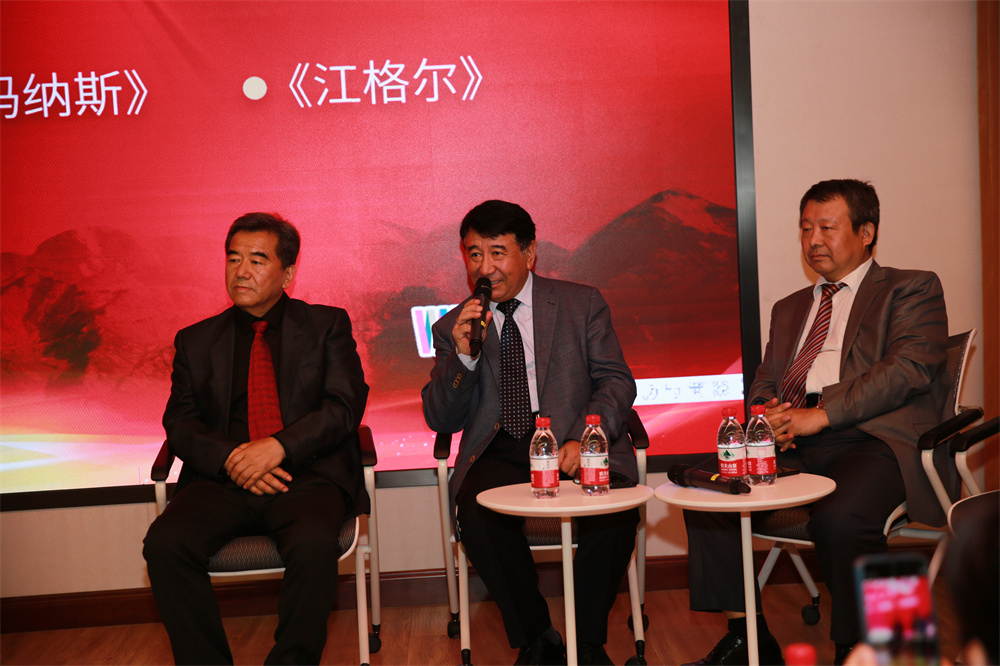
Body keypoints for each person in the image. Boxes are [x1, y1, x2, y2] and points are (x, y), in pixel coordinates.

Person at [683, 179, 955, 666]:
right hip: (792, 440)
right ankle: (748, 639)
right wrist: (767, 414)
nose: (813, 240)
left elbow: (907, 370)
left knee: (842, 516)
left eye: (827, 228)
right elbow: (767, 376)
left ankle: (871, 650)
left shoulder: (910, 287)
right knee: (707, 492)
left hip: (874, 438)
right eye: (806, 228)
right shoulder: (789, 307)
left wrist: (823, 414)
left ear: (866, 233)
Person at [142, 212, 369, 665]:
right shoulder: (195, 341)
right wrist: (233, 459)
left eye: (257, 260)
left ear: (287, 273)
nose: (241, 271)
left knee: (312, 543)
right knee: (165, 544)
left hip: (305, 476)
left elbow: (344, 406)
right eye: (233, 259)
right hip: (221, 481)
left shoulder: (326, 325)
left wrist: (279, 446)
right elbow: (180, 423)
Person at [422, 200, 640, 666]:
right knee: (477, 514)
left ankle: (586, 640)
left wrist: (584, 438)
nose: (485, 268)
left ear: (530, 252)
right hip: (500, 444)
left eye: (497, 252)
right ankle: (538, 637)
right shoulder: (454, 326)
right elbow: (441, 418)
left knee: (614, 514)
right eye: (474, 254)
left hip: (574, 437)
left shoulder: (582, 302)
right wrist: (464, 356)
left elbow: (616, 381)